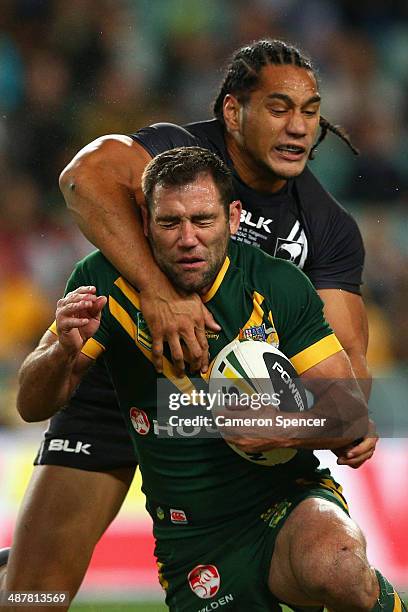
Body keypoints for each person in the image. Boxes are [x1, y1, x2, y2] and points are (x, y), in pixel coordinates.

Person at [1, 39, 376, 601]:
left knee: (313, 569)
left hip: (212, 413)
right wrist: (159, 294)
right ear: (233, 111)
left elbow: (349, 382)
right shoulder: (177, 156)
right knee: (34, 598)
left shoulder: (326, 226)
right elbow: (82, 179)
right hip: (110, 380)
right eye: (278, 109)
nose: (298, 127)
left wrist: (331, 424)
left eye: (310, 111)